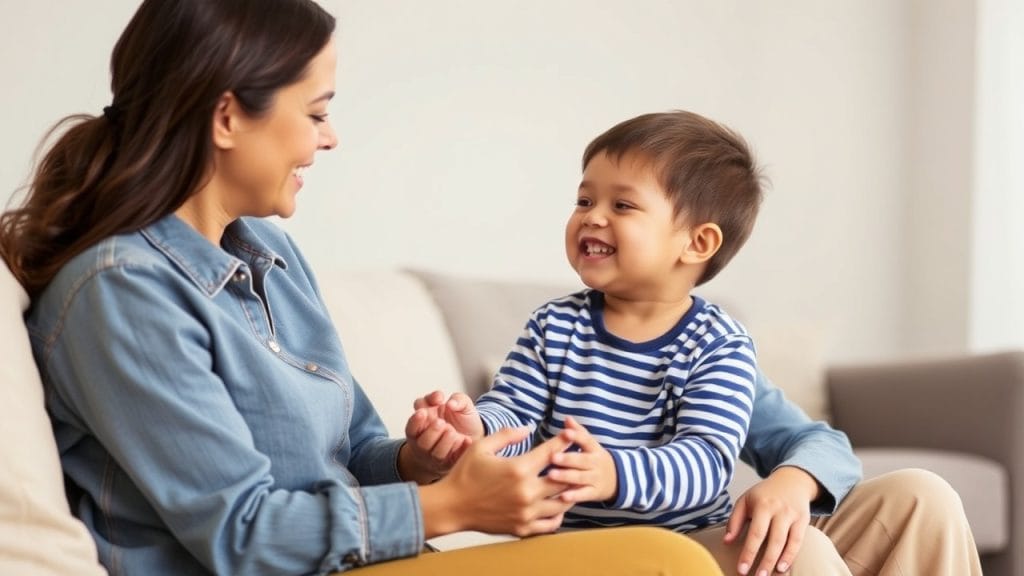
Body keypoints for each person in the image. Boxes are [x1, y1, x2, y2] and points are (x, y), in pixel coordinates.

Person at [0, 1, 725, 574]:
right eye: (315, 112)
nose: (329, 138)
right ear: (226, 117)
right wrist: (450, 506)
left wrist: (419, 461)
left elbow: (349, 451)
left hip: (368, 561)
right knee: (666, 561)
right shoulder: (123, 293)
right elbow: (240, 534)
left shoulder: (272, 255)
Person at [409, 114, 985, 575]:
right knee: (797, 555)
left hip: (696, 541)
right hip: (597, 555)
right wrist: (471, 431)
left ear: (697, 242)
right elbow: (513, 418)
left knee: (921, 495)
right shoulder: (553, 327)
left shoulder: (718, 346)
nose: (592, 218)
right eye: (585, 201)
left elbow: (712, 464)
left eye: (623, 205)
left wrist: (788, 481)